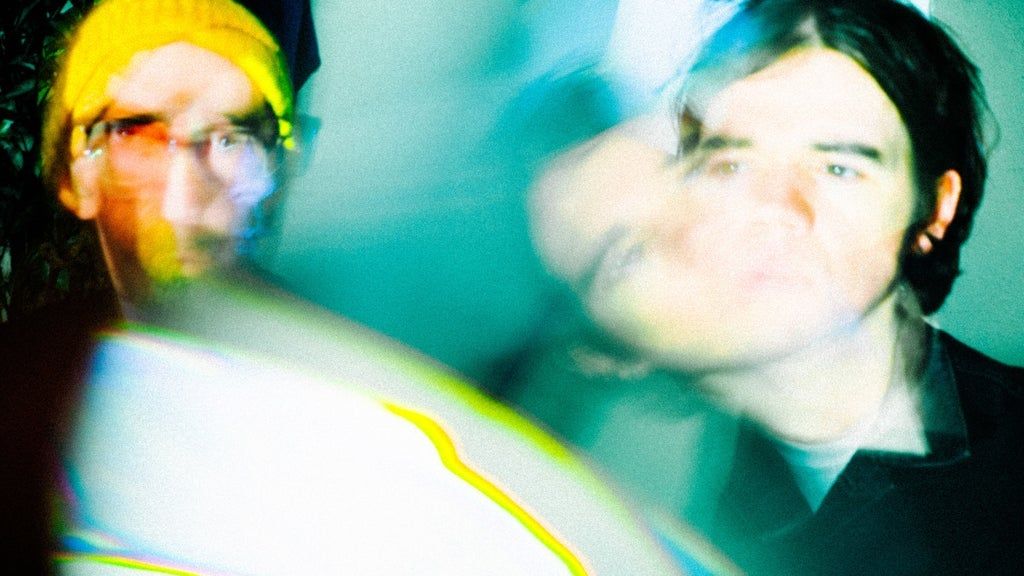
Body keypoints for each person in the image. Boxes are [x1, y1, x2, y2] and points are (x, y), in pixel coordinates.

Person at [33, 0, 729, 573]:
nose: (187, 189)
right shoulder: (34, 394)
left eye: (234, 139)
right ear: (73, 172)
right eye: (139, 135)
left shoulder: (361, 409)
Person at [514, 0, 1024, 574]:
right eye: (732, 166)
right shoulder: (633, 512)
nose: (775, 209)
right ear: (602, 353)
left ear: (933, 210)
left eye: (839, 168)